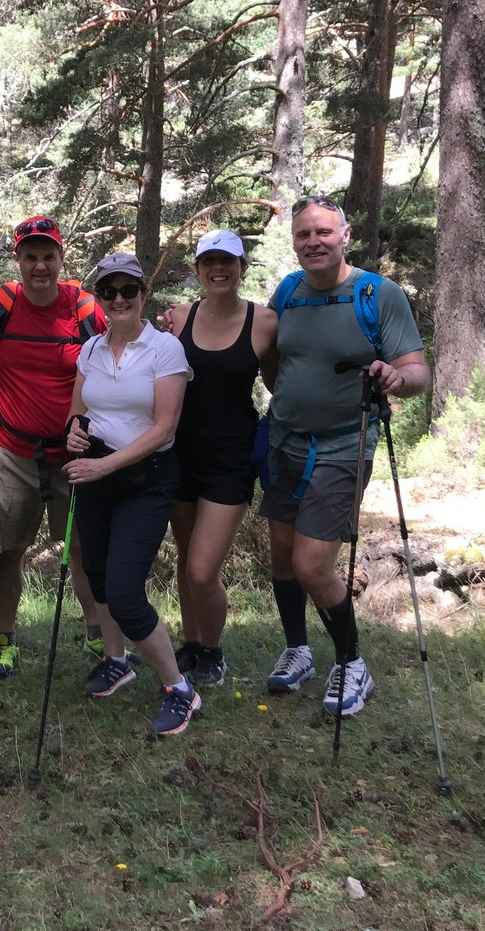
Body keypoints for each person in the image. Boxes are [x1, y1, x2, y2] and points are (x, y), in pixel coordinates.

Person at [260, 195, 429, 717]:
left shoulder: (378, 294)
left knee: (312, 564)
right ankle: (298, 649)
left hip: (343, 446)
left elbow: (418, 372)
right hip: (284, 441)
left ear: (345, 236)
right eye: (303, 234)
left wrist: (396, 377)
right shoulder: (288, 291)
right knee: (282, 555)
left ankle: (352, 661)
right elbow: (272, 357)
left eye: (324, 232)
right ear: (294, 241)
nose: (313, 241)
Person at [0, 215, 108, 679]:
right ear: (18, 259)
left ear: (62, 258)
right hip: (13, 453)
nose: (40, 265)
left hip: (75, 457)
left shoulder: (85, 309)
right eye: (31, 256)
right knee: (7, 551)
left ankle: (97, 633)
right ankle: (5, 639)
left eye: (49, 256)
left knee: (83, 550)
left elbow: (121, 351)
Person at [63, 253, 196, 736]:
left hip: (146, 479)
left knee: (123, 592)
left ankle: (180, 689)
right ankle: (117, 662)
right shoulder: (91, 349)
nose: (119, 299)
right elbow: (78, 410)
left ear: (143, 294)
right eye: (109, 291)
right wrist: (74, 433)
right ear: (99, 297)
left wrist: (104, 464)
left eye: (128, 290)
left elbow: (164, 428)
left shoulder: (165, 349)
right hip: (97, 475)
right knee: (98, 575)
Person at [166, 229, 277, 685]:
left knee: (202, 568)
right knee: (185, 559)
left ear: (241, 267)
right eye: (208, 261)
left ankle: (213, 651)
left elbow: (278, 384)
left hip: (231, 459)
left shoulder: (264, 322)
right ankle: (192, 644)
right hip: (179, 454)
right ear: (197, 269)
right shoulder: (178, 318)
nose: (218, 269)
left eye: (227, 261)